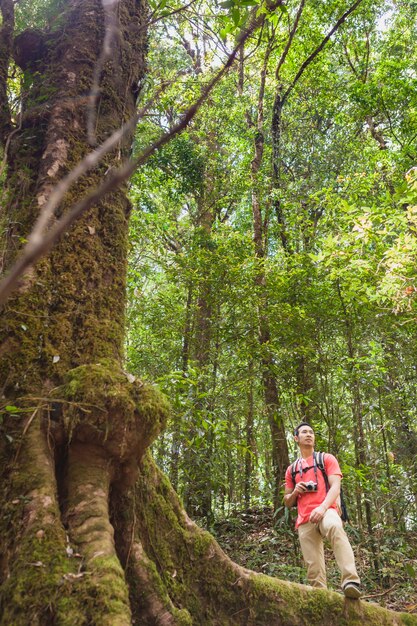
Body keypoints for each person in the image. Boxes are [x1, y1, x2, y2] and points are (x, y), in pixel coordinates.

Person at [284, 422, 361, 599]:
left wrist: (323, 507)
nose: (309, 435)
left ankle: (350, 581)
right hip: (304, 519)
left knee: (334, 527)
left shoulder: (326, 459)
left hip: (327, 510)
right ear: (296, 438)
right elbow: (287, 501)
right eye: (304, 432)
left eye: (311, 432)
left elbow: (335, 486)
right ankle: (322, 600)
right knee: (313, 567)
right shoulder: (292, 469)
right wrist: (296, 491)